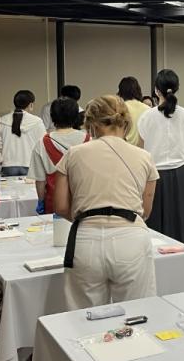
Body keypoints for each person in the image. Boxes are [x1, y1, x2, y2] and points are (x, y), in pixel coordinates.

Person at [53, 95, 159, 309]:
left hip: (86, 240)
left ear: (91, 124)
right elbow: (146, 210)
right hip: (131, 237)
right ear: (126, 123)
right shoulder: (144, 157)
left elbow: (61, 206)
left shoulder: (73, 154)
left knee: (84, 317)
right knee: (136, 314)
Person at [136, 69, 184, 242]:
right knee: (181, 220)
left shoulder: (146, 117)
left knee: (155, 222)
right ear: (176, 88)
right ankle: (182, 251)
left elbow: (140, 149)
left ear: (156, 90)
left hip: (154, 174)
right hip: (182, 172)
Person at [29, 98, 90, 214]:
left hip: (54, 203)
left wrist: (41, 201)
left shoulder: (42, 143)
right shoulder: (89, 140)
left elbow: (40, 181)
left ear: (52, 117)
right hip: (84, 202)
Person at [0, 90, 46, 176]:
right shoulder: (37, 122)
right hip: (30, 165)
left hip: (8, 165)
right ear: (31, 104)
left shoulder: (3, 121)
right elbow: (43, 145)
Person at [117, 76, 149, 146]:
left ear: (121, 91)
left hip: (124, 147)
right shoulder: (148, 109)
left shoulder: (120, 108)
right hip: (143, 149)